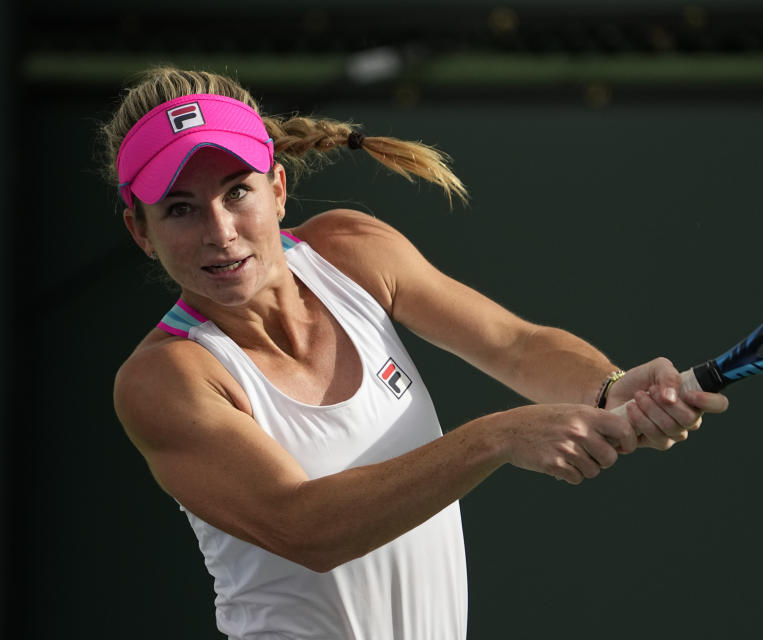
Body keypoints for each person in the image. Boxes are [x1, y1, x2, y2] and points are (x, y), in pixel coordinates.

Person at [104, 66, 729, 640]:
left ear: (278, 188)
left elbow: (512, 344)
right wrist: (496, 438)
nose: (220, 232)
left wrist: (609, 387)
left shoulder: (350, 250)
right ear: (141, 232)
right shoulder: (166, 379)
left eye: (237, 192)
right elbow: (304, 527)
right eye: (181, 209)